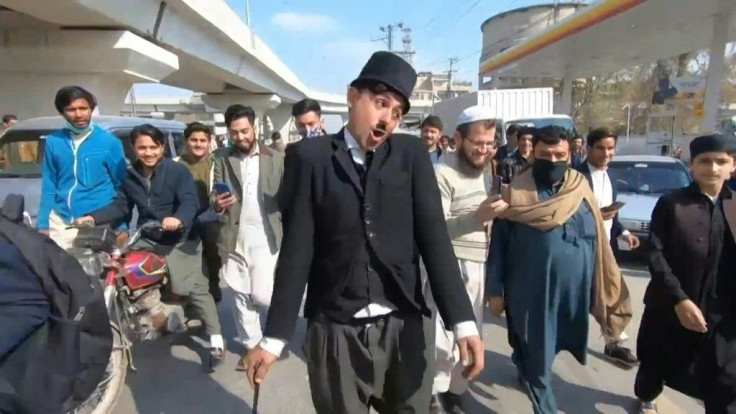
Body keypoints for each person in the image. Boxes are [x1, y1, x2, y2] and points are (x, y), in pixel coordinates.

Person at [243, 51, 484, 413]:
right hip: (336, 330)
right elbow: (297, 252)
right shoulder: (310, 158)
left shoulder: (411, 155)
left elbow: (435, 240)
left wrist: (464, 324)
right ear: (353, 97)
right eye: (381, 103)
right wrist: (274, 338)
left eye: (397, 112)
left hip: (404, 325)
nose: (387, 118)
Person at [487, 125, 632, 414]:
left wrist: (600, 281)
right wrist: (495, 290)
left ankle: (524, 362)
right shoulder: (515, 193)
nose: (552, 161)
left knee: (553, 345)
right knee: (538, 356)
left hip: (573, 292)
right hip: (530, 292)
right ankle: (545, 406)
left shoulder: (580, 187)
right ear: (533, 155)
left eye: (559, 155)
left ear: (570, 154)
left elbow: (596, 237)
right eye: (544, 154)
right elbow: (499, 247)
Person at [75, 124, 224, 371]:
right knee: (121, 268)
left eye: (153, 147)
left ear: (162, 147)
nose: (148, 152)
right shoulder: (130, 175)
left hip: (180, 238)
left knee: (196, 286)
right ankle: (145, 316)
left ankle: (217, 339)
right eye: (142, 147)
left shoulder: (177, 172)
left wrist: (179, 219)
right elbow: (121, 206)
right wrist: (92, 217)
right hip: (148, 235)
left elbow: (189, 201)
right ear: (134, 149)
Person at [635, 134, 736, 414]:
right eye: (705, 161)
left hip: (723, 315)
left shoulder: (735, 206)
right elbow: (655, 254)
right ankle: (646, 397)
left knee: (726, 384)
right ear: (692, 165)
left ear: (733, 166)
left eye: (721, 161)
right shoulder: (672, 205)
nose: (713, 168)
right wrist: (679, 299)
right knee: (655, 367)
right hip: (672, 306)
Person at [430, 106, 507, 413]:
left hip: (478, 264)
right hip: (450, 265)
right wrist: (478, 217)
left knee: (471, 334)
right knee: (444, 338)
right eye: (478, 143)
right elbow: (435, 227)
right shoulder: (442, 173)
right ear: (459, 139)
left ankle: (454, 390)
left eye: (489, 144)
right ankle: (434, 393)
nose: (484, 150)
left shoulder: (485, 170)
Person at [210, 104, 284, 371]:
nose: (240, 137)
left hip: (266, 236)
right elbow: (213, 199)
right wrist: (218, 203)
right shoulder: (220, 158)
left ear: (255, 128)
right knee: (239, 294)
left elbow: (286, 196)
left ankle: (273, 336)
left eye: (245, 131)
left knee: (262, 295)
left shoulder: (276, 158)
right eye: (234, 133)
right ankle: (252, 347)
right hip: (234, 234)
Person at [577, 127, 641, 368]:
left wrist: (623, 232)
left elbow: (611, 214)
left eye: (610, 148)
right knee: (584, 297)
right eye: (601, 148)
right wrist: (594, 217)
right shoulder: (577, 176)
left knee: (613, 293)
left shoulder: (609, 177)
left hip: (606, 247)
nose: (606, 153)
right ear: (588, 149)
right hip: (582, 246)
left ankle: (613, 341)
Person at [38, 86, 127, 249]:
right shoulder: (53, 142)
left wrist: (121, 225)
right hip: (61, 222)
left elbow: (122, 187)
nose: (78, 114)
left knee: (95, 272)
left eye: (83, 108)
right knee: (60, 272)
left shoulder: (109, 142)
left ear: (91, 109)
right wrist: (43, 224)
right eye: (71, 109)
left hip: (97, 222)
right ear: (62, 112)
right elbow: (49, 185)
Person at [177, 122, 223, 302]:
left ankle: (213, 287)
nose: (198, 144)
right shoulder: (176, 165)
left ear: (209, 142)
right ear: (186, 141)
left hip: (211, 220)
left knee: (213, 258)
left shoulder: (216, 163)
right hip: (185, 221)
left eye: (202, 140)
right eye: (194, 140)